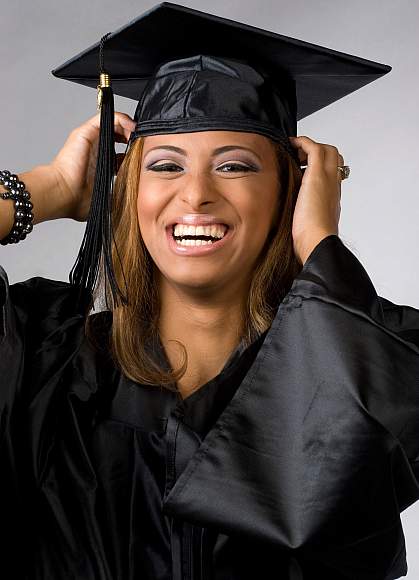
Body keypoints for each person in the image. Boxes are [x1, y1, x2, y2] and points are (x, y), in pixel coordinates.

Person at [1, 3, 419, 579]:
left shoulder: (338, 372)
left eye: (236, 166)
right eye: (166, 166)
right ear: (130, 190)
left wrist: (320, 242)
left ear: (289, 191)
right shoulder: (47, 361)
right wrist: (46, 190)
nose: (195, 195)